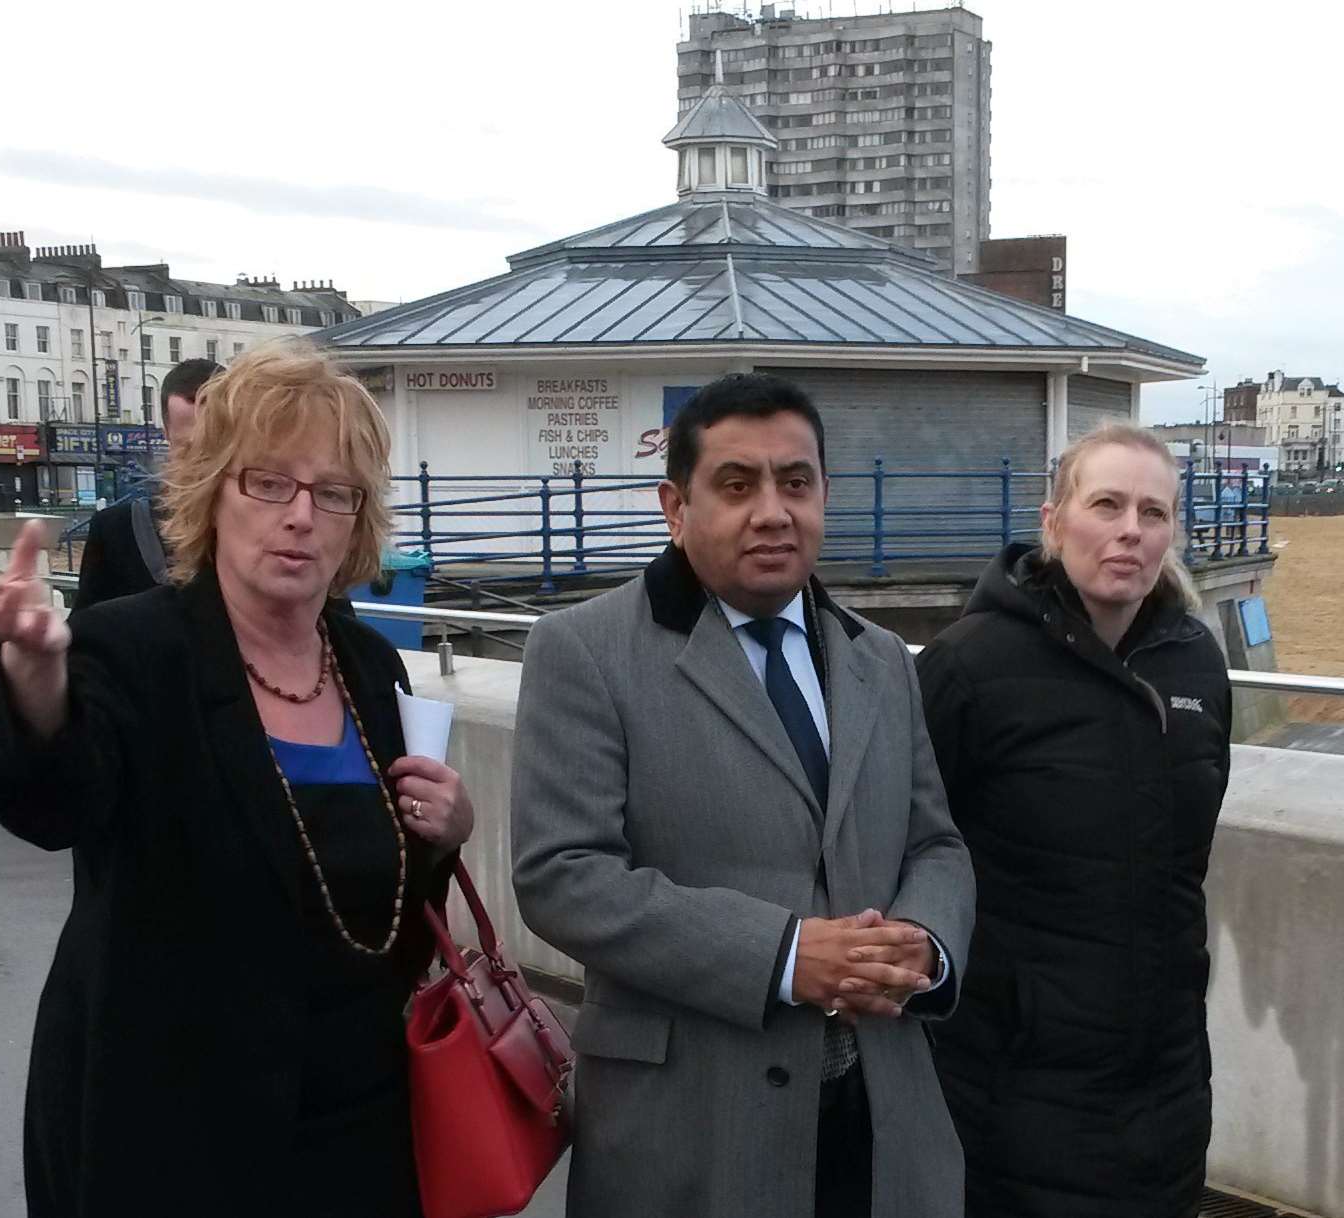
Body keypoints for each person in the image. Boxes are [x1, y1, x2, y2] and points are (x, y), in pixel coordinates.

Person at [0, 341, 474, 1218]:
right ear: (212, 493)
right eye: (268, 483)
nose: (300, 515)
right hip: (165, 1131)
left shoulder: (369, 665)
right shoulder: (132, 648)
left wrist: (445, 831)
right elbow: (52, 802)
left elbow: (379, 911)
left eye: (332, 492)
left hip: (357, 1129)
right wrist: (37, 677)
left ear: (359, 518)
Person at [510, 371, 975, 1218]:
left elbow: (933, 842)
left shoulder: (878, 658)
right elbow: (562, 876)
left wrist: (924, 943)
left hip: (877, 1116)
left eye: (795, 482)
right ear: (674, 506)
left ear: (824, 495)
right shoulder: (583, 651)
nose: (772, 510)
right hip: (688, 1128)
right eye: (736, 484)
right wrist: (788, 957)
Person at [917, 424, 1231, 1218]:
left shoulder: (1194, 661)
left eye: (1153, 512)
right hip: (1012, 1080)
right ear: (1053, 522)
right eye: (1107, 504)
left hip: (1164, 1073)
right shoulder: (968, 666)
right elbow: (913, 847)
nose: (1131, 529)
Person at [71, 357, 221, 613]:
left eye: (216, 441)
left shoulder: (268, 526)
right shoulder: (115, 531)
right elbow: (84, 637)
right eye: (189, 446)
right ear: (166, 435)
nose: (202, 458)